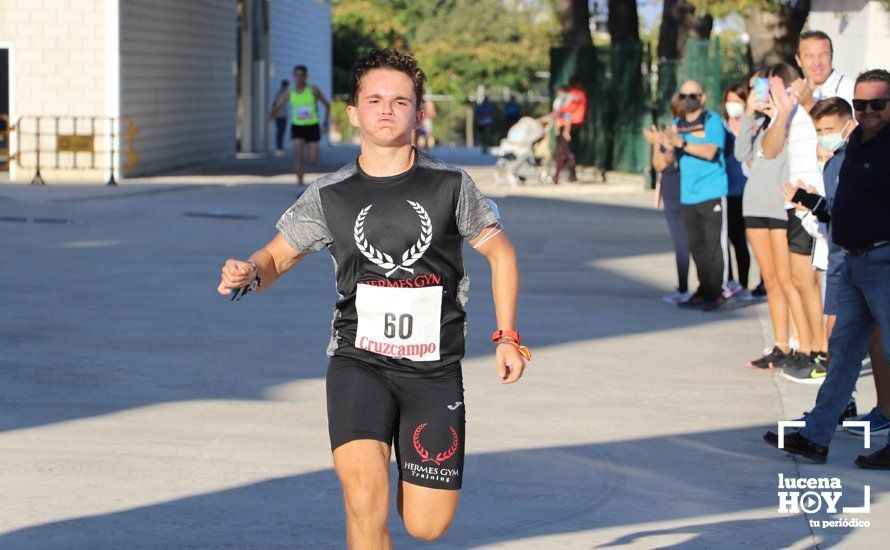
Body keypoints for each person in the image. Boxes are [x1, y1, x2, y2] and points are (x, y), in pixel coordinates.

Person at [217, 49, 530, 544]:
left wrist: (508, 336)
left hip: (433, 370)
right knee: (365, 499)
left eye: (400, 100)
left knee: (428, 525)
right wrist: (249, 272)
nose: (387, 109)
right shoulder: (330, 194)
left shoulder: (450, 185)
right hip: (357, 361)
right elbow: (275, 259)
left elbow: (502, 255)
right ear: (353, 113)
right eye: (375, 99)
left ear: (419, 113)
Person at [763, 69, 890, 469]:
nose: (868, 112)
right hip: (852, 263)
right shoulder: (853, 149)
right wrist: (812, 202)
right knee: (843, 353)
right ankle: (815, 437)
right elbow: (842, 207)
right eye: (861, 104)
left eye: (878, 104)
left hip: (884, 262)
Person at [762, 31, 856, 366]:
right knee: (801, 278)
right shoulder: (792, 93)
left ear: (831, 56)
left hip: (830, 199)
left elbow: (847, 134)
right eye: (810, 56)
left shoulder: (846, 88)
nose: (817, 62)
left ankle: (830, 354)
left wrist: (808, 104)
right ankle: (813, 349)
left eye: (823, 54)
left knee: (831, 282)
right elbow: (770, 149)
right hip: (797, 201)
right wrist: (785, 112)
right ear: (799, 60)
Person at [738, 64, 812, 369]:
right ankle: (781, 344)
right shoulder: (764, 123)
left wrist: (781, 113)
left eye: (763, 88)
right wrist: (747, 112)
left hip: (778, 209)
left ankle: (804, 346)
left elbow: (772, 152)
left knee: (787, 280)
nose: (761, 95)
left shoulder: (791, 121)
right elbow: (742, 153)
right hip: (754, 206)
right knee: (770, 279)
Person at [661, 79, 728, 310]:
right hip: (687, 194)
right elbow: (669, 160)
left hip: (712, 191)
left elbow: (711, 151)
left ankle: (716, 292)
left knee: (713, 245)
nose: (688, 100)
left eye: (693, 95)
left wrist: (681, 142)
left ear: (702, 98)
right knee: (696, 246)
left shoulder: (712, 121)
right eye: (684, 96)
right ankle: (703, 289)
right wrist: (668, 148)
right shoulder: (676, 123)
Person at [644, 93, 690, 304]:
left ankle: (684, 287)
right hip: (675, 188)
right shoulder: (676, 129)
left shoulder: (678, 131)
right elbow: (658, 164)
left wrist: (661, 144)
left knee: (683, 240)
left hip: (680, 188)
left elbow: (663, 162)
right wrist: (656, 143)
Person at [722, 82, 751, 297]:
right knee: (726, 238)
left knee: (740, 240)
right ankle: (729, 280)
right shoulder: (721, 127)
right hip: (725, 190)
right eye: (729, 101)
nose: (733, 106)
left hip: (746, 191)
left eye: (738, 101)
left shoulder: (753, 125)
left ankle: (744, 283)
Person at [289, 64, 331, 186]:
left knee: (313, 161)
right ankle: (300, 186)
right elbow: (278, 105)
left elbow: (327, 105)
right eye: (296, 75)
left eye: (301, 75)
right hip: (297, 127)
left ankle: (311, 155)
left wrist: (325, 123)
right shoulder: (290, 92)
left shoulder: (313, 90)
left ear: (306, 76)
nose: (299, 78)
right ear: (293, 76)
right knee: (299, 158)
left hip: (312, 127)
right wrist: (270, 115)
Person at [267, 80, 290, 156]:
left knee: (281, 132)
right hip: (279, 116)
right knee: (280, 132)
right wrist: (272, 115)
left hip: (284, 115)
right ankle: (279, 148)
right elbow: (275, 104)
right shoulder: (280, 94)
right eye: (286, 86)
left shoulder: (286, 93)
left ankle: (280, 147)